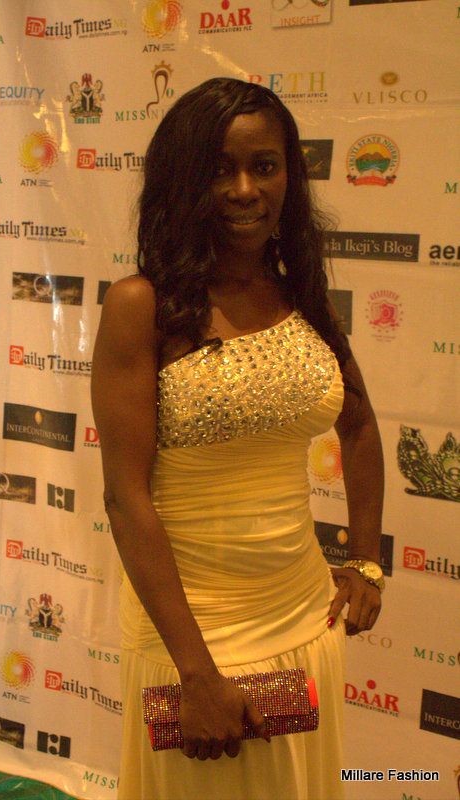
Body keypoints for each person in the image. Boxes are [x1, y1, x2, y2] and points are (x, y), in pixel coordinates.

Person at [91, 77, 384, 800]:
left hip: (305, 617)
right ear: (183, 180)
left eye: (265, 166)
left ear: (290, 176)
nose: (245, 189)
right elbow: (125, 499)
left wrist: (366, 562)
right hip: (193, 641)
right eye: (219, 169)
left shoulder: (300, 294)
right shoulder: (140, 306)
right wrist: (196, 675)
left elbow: (358, 425)